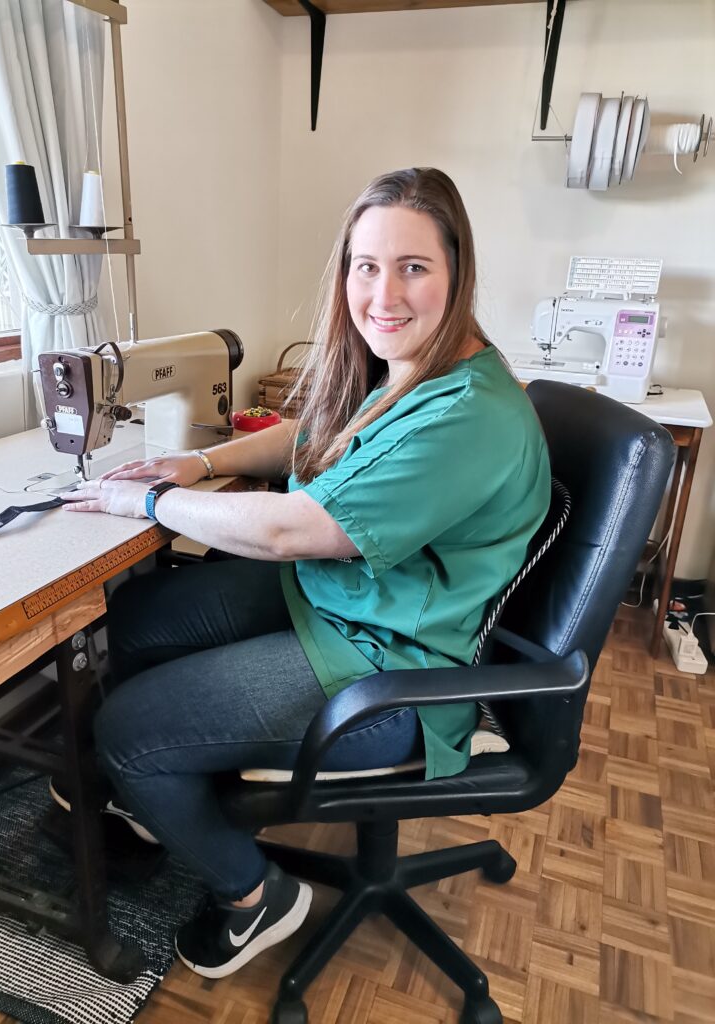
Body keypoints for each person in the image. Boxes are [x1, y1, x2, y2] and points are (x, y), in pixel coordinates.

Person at [60, 167, 551, 979]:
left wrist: (150, 503)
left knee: (127, 732)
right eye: (366, 265)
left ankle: (252, 894)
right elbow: (311, 433)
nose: (383, 295)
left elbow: (297, 529)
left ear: (458, 270)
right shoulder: (412, 370)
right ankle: (173, 789)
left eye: (414, 267)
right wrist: (201, 462)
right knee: (139, 619)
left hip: (391, 669)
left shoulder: (470, 415)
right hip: (340, 603)